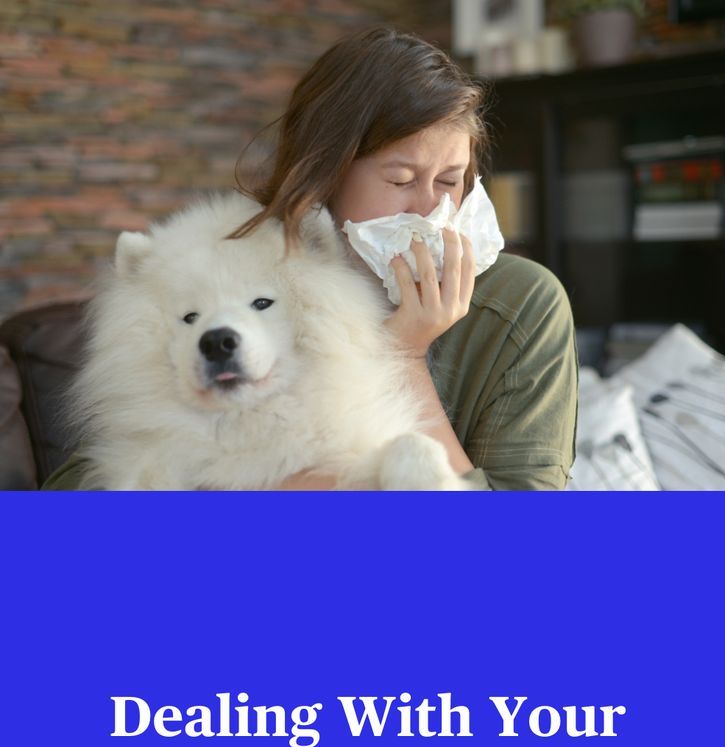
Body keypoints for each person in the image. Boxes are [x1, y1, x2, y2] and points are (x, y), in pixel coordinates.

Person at [45, 25, 577, 491]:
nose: (430, 208)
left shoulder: (522, 302)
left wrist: (405, 358)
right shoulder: (247, 269)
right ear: (325, 175)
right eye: (400, 179)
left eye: (449, 181)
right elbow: (86, 482)